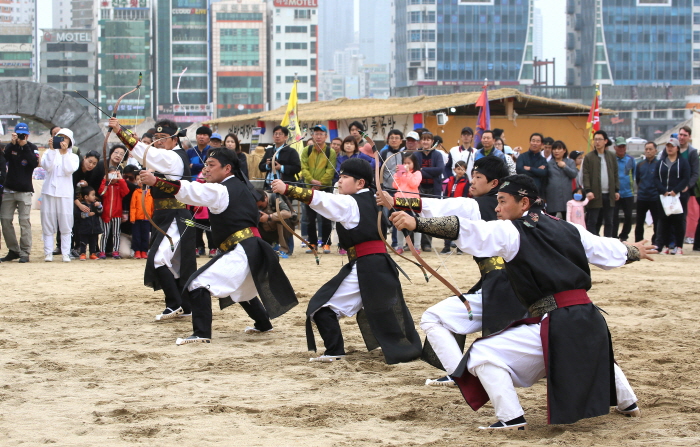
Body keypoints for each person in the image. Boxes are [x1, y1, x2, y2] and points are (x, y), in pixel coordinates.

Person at [389, 174, 651, 429]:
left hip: (558, 323)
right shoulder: (568, 228)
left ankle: (511, 418)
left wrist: (417, 224)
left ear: (524, 203)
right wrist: (635, 251)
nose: (497, 207)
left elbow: (471, 230)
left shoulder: (512, 231)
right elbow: (608, 250)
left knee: (481, 353)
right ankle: (629, 403)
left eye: (503, 201)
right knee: (591, 348)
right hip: (591, 319)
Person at [381, 157, 526, 386]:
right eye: (472, 176)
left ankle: (459, 374)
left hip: (501, 286)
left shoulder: (476, 206)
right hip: (524, 285)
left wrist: (396, 200)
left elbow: (441, 206)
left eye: (478, 178)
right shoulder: (531, 215)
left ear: (494, 183)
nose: (473, 182)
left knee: (436, 318)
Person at [139, 148, 298, 345]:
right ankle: (263, 324)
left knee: (197, 283)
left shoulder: (222, 189)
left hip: (243, 249)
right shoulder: (240, 186)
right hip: (251, 248)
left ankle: (201, 333)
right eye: (205, 164)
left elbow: (191, 190)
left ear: (227, 168)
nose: (206, 169)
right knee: (241, 289)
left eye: (211, 165)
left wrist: (156, 182)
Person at [271, 158, 422, 364]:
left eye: (344, 177)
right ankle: (404, 349)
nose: (339, 181)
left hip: (368, 266)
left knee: (320, 308)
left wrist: (287, 188)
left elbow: (322, 199)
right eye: (339, 177)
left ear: (360, 183)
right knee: (387, 314)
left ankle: (335, 351)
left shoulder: (351, 202)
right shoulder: (371, 198)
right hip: (377, 266)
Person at [109, 117, 197, 322]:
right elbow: (148, 154)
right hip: (165, 215)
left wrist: (120, 131)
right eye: (156, 138)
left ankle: (174, 304)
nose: (159, 141)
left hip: (175, 216)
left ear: (175, 139)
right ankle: (184, 305)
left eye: (164, 138)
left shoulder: (174, 157)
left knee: (158, 259)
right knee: (174, 264)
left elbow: (146, 152)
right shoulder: (168, 156)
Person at [1, 123, 39, 263]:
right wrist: (12, 144)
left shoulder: (32, 148)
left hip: (25, 190)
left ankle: (25, 252)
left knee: (24, 221)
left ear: (28, 135)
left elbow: (33, 163)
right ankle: (13, 250)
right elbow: (4, 158)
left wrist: (25, 145)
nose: (22, 137)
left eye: (24, 135)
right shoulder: (11, 147)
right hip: (9, 189)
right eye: (19, 135)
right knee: (5, 220)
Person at [40, 128, 80, 262]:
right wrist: (52, 150)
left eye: (65, 138)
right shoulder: (48, 153)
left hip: (65, 194)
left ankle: (65, 253)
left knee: (66, 224)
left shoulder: (73, 157)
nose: (62, 140)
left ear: (70, 141)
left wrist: (64, 154)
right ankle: (48, 252)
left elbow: (69, 170)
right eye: (60, 137)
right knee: (47, 222)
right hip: (49, 192)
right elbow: (47, 167)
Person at [300, 124, 337, 254]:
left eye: (321, 134)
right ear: (312, 136)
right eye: (316, 134)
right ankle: (312, 243)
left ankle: (326, 243)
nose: (318, 136)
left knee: (325, 217)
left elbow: (330, 170)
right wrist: (311, 181)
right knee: (309, 218)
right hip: (309, 189)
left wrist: (321, 183)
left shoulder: (330, 152)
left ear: (326, 136)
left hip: (324, 189)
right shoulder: (307, 150)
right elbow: (304, 168)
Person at [655, 138, 690, 255]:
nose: (669, 148)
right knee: (664, 222)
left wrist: (676, 190)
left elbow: (686, 178)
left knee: (678, 222)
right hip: (664, 197)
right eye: (668, 146)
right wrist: (662, 190)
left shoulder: (683, 162)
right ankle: (665, 246)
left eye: (672, 146)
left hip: (678, 197)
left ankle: (678, 246)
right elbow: (655, 178)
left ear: (677, 148)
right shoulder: (661, 162)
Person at [583, 130, 620, 237]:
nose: (597, 142)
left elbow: (615, 174)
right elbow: (586, 175)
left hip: (609, 194)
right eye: (595, 139)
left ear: (605, 141)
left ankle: (608, 243)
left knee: (609, 221)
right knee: (592, 221)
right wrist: (588, 190)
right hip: (594, 194)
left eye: (600, 139)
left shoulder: (611, 156)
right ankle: (593, 243)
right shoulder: (589, 157)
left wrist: (617, 190)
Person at [414, 131, 445, 252]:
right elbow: (415, 170)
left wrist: (422, 170)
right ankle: (416, 243)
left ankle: (427, 243)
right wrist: (424, 171)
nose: (426, 142)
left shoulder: (437, 155)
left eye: (428, 139)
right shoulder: (417, 154)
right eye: (424, 139)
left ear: (432, 141)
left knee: (430, 215)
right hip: (419, 188)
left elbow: (440, 169)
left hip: (434, 189)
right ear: (421, 142)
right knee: (418, 214)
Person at [392, 152, 422, 254]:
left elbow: (414, 184)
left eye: (409, 163)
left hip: (413, 200)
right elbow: (395, 185)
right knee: (400, 224)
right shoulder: (401, 173)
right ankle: (400, 246)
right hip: (400, 200)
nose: (406, 165)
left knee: (416, 223)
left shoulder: (417, 173)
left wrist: (408, 172)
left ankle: (417, 246)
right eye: (404, 163)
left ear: (414, 163)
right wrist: (398, 174)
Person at [98, 166, 130, 259]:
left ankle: (116, 251)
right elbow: (101, 192)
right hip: (106, 214)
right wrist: (105, 180)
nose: (113, 177)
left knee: (116, 233)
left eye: (114, 175)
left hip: (117, 214)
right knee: (105, 234)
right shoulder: (106, 186)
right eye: (111, 174)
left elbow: (126, 192)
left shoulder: (119, 186)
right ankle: (102, 251)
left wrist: (120, 179)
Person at [635, 142, 662, 246]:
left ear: (655, 150)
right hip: (642, 196)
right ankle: (638, 242)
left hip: (655, 197)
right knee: (639, 222)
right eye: (646, 149)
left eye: (650, 149)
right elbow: (638, 179)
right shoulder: (640, 164)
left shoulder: (659, 164)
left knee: (657, 221)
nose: (648, 151)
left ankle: (656, 242)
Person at [256, 189, 294, 258]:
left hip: (282, 229)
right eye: (257, 207)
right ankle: (268, 246)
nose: (259, 208)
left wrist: (269, 217)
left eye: (261, 206)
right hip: (267, 231)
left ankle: (285, 249)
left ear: (266, 198)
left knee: (282, 219)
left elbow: (287, 213)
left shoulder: (275, 198)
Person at [545, 140, 578, 218]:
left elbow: (574, 174)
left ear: (564, 150)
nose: (556, 151)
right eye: (554, 149)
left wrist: (565, 167)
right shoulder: (549, 163)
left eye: (559, 149)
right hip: (552, 196)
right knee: (550, 219)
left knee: (567, 219)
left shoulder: (570, 162)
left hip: (566, 195)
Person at [612, 137, 636, 242]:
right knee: (614, 216)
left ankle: (624, 235)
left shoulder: (631, 159)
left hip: (628, 193)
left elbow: (635, 174)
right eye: (619, 146)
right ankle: (613, 236)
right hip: (615, 193)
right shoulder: (612, 159)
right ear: (615, 147)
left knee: (628, 216)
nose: (621, 148)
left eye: (623, 146)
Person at [129, 175, 154, 260]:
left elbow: (152, 207)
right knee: (137, 236)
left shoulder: (150, 193)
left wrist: (152, 217)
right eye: (138, 179)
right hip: (137, 218)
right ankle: (137, 251)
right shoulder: (136, 192)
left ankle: (144, 251)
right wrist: (132, 217)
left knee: (145, 236)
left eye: (141, 179)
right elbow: (133, 206)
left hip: (147, 218)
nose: (140, 181)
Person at [76, 186, 103, 260]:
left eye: (94, 195)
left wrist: (99, 206)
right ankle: (82, 253)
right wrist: (87, 215)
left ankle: (92, 253)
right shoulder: (82, 205)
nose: (94, 197)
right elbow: (78, 215)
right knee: (83, 242)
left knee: (93, 242)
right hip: (84, 227)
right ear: (86, 197)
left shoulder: (95, 204)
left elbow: (100, 213)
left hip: (94, 227)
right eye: (93, 195)